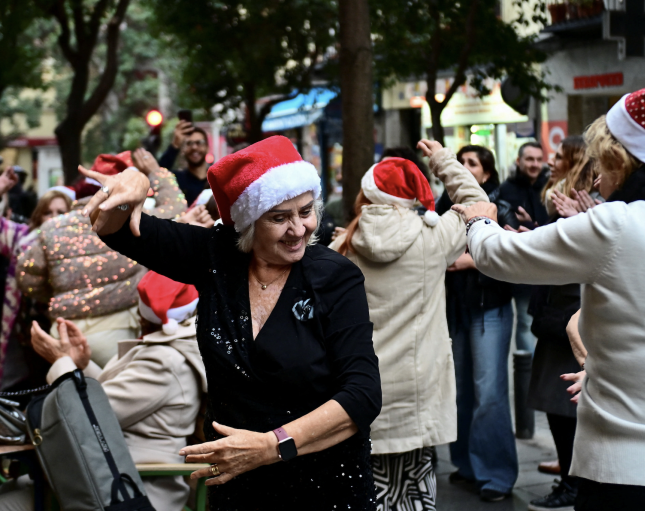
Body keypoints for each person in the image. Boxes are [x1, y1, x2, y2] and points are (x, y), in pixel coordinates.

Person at [454, 80, 645, 510]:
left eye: (605, 161)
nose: (599, 175)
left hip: (636, 474)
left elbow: (498, 255)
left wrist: (479, 218)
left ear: (627, 159)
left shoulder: (616, 225)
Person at [85, 135, 382, 510]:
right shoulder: (216, 256)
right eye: (279, 218)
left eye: (305, 211)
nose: (299, 229)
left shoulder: (335, 277)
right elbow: (115, 230)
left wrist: (271, 445)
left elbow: (363, 394)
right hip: (238, 488)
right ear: (249, 221)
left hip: (324, 487)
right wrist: (134, 188)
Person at [330, 142, 488, 508]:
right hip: (418, 395)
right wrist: (442, 161)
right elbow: (477, 202)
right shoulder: (433, 238)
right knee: (414, 496)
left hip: (361, 392)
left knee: (369, 493)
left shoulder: (344, 245)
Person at [26, 271, 207, 510]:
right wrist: (81, 365)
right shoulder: (165, 348)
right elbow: (112, 400)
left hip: (129, 490)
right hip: (113, 475)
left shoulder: (165, 360)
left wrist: (61, 362)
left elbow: (86, 417)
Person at [16, 149, 186, 366]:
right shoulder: (131, 221)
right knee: (113, 396)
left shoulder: (53, 227)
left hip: (63, 334)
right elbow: (176, 209)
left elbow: (26, 275)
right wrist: (155, 172)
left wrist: (58, 291)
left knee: (68, 393)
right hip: (116, 333)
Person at [434, 145, 519, 502]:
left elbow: (513, 252)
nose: (464, 168)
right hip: (455, 307)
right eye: (460, 162)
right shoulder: (442, 208)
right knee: (461, 392)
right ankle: (467, 465)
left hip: (490, 308)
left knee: (489, 392)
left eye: (472, 164)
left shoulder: (502, 205)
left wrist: (472, 261)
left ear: (486, 173)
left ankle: (496, 474)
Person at [524, 136, 596, 511]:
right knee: (558, 405)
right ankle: (569, 480)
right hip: (555, 307)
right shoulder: (561, 193)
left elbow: (580, 247)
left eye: (559, 156)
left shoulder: (588, 199)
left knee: (567, 405)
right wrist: (534, 233)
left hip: (570, 310)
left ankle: (573, 484)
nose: (551, 160)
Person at [0, 185, 74, 392]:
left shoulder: (78, 245)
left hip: (62, 329)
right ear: (39, 215)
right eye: (47, 212)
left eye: (61, 212)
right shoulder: (23, 237)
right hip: (25, 330)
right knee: (32, 386)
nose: (53, 217)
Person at [495, 141, 547, 354]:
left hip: (547, 265)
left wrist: (534, 224)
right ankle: (527, 376)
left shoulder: (550, 187)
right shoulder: (506, 190)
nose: (534, 164)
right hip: (519, 266)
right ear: (519, 161)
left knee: (539, 323)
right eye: (529, 159)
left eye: (538, 159)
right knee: (525, 322)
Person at [158, 121, 210, 205]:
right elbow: (158, 174)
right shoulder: (176, 179)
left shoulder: (216, 180)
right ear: (182, 150)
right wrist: (175, 145)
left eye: (199, 142)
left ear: (207, 147)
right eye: (189, 143)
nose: (194, 147)